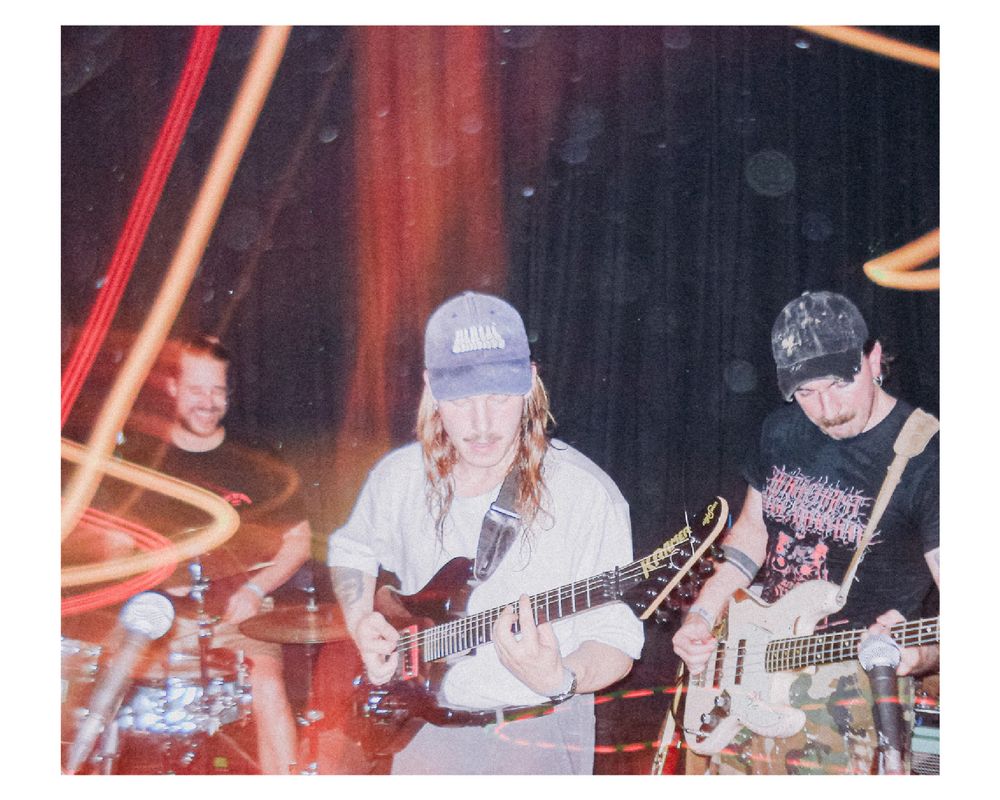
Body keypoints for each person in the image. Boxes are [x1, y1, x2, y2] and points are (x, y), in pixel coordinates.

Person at [327, 291, 644, 774]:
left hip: (535, 734)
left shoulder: (585, 495)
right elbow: (350, 549)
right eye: (461, 399)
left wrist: (559, 676)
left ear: (529, 382)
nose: (480, 424)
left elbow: (617, 642)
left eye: (498, 397)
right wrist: (359, 620)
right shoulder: (398, 477)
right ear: (432, 388)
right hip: (418, 734)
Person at [672, 290, 939, 775]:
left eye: (839, 383)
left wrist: (919, 654)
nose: (826, 408)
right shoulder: (781, 430)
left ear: (874, 356)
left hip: (846, 695)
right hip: (748, 673)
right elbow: (753, 531)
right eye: (806, 392)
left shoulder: (929, 457)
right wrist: (703, 614)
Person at [108, 335, 312, 774]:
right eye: (198, 390)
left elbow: (299, 540)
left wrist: (257, 589)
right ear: (173, 389)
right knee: (107, 678)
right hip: (163, 614)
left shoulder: (255, 460)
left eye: (219, 391)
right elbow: (112, 543)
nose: (209, 402)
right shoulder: (144, 460)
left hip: (243, 610)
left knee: (268, 682)